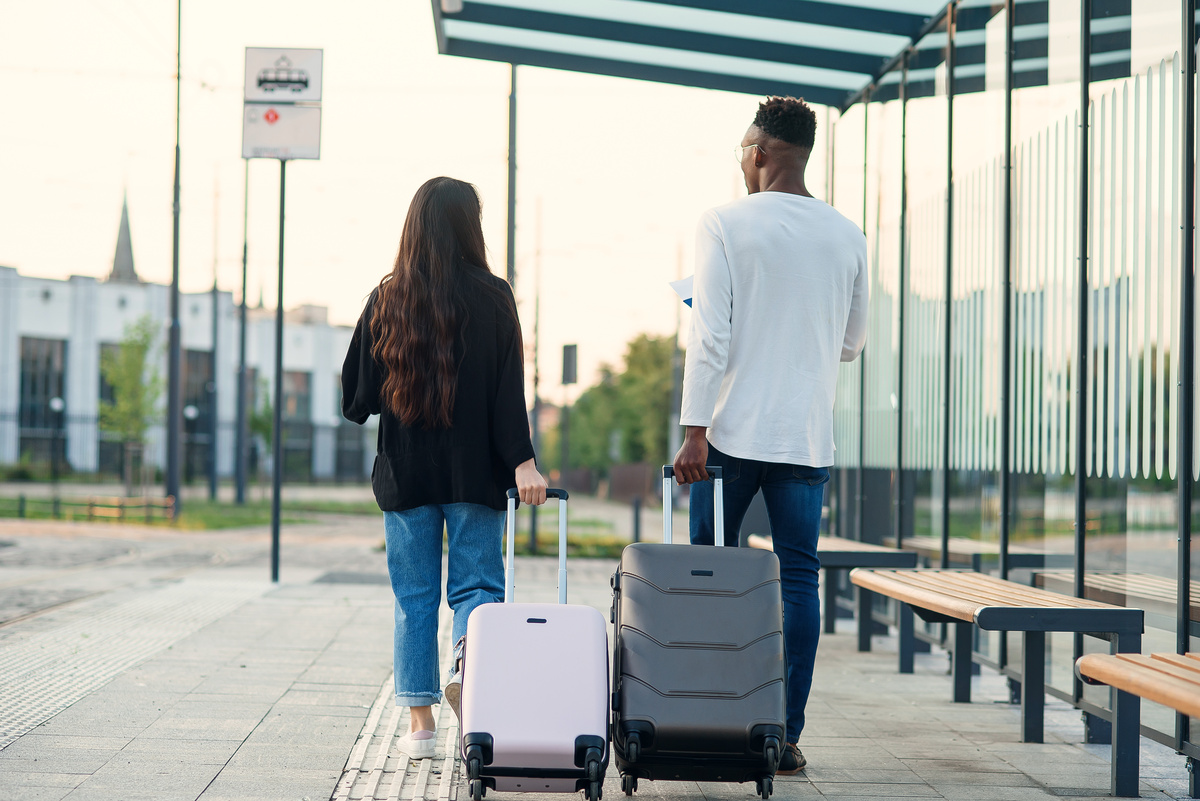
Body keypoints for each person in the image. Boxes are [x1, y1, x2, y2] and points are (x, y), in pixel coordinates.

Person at [672, 96, 868, 775]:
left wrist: (693, 431)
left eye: (744, 151)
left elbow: (712, 337)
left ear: (759, 153)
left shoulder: (724, 223)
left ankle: (705, 714)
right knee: (797, 580)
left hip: (726, 435)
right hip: (804, 437)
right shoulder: (848, 235)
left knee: (711, 573)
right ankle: (781, 733)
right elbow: (851, 343)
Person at [342, 176, 547, 761]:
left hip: (406, 476)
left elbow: (355, 400)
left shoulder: (387, 300)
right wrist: (523, 462)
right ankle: (468, 667)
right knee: (478, 586)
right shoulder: (495, 296)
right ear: (470, 227)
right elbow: (509, 396)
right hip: (475, 474)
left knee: (413, 599)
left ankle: (421, 727)